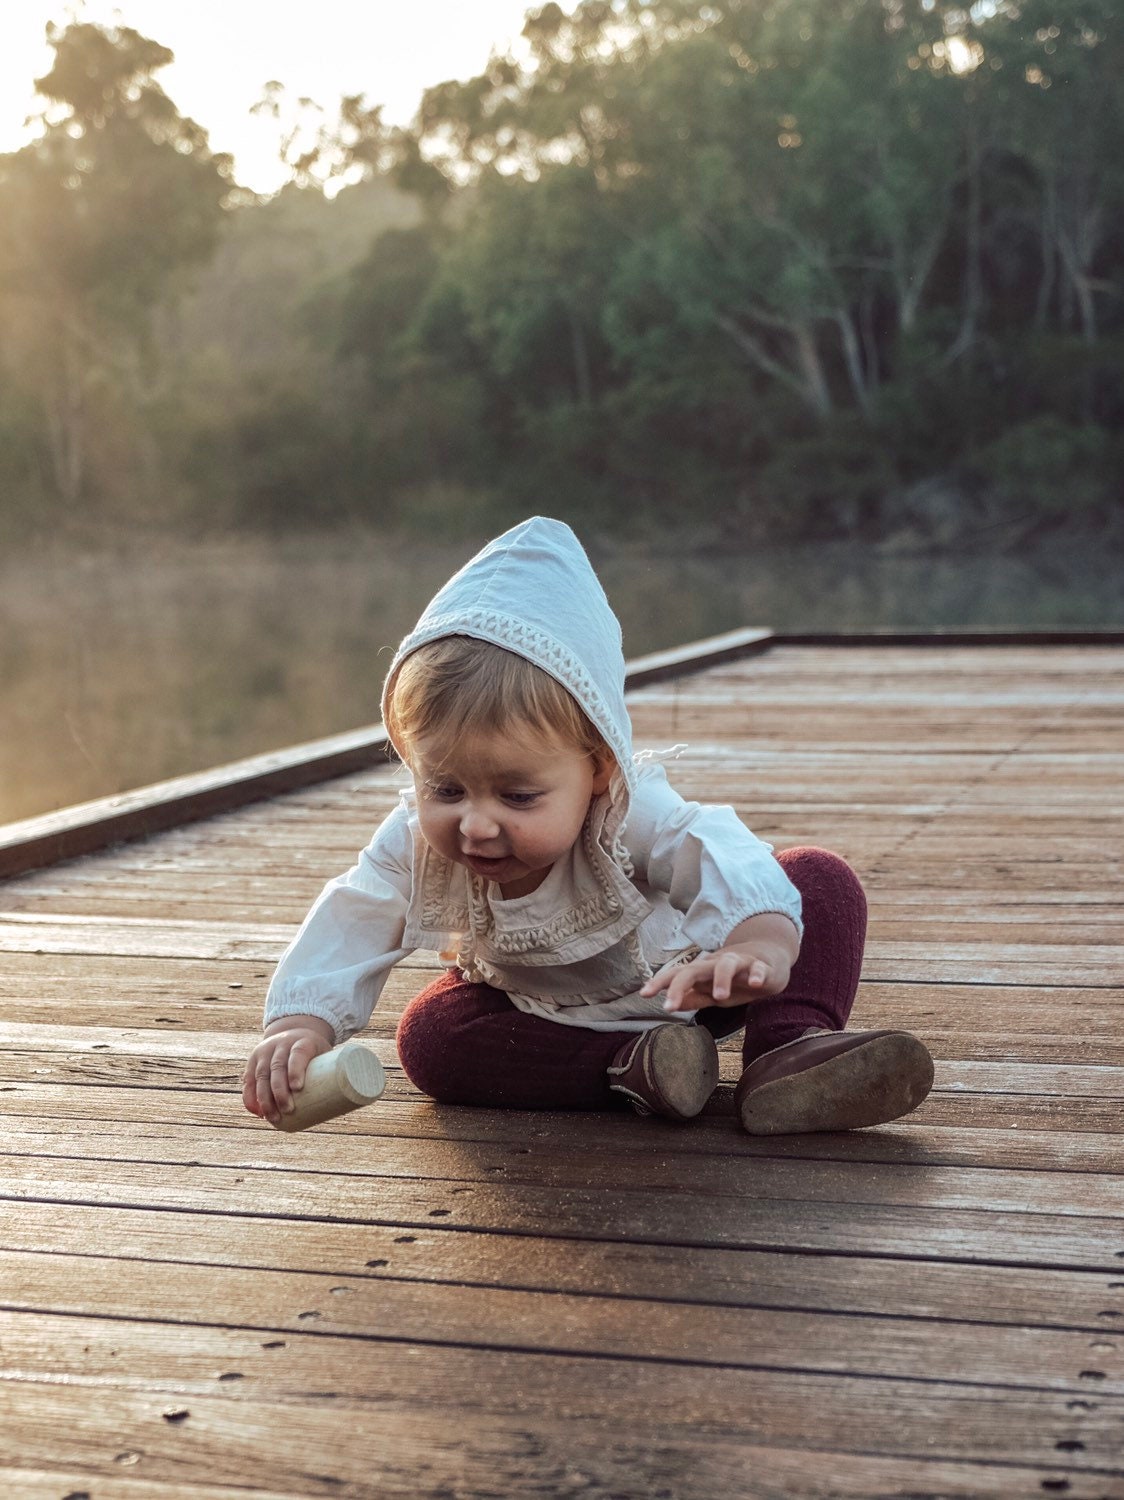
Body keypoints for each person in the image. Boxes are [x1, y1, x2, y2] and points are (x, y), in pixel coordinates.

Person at [242, 516, 933, 1132]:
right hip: (544, 1016)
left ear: (597, 768)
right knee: (431, 1036)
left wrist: (758, 945)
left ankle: (789, 1048)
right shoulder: (415, 844)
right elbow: (354, 915)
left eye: (517, 797)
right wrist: (304, 1020)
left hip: (698, 983)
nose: (475, 826)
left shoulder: (627, 815)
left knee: (816, 877)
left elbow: (712, 846)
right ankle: (635, 1066)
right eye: (445, 787)